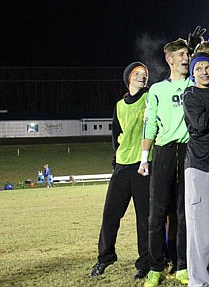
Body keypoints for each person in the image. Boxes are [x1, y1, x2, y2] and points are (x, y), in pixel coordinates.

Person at [90, 62, 151, 279]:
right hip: (122, 166)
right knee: (110, 216)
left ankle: (145, 263)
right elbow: (116, 135)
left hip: (143, 166)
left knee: (144, 219)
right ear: (128, 78)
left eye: (145, 74)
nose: (142, 77)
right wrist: (116, 161)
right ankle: (105, 258)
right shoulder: (119, 105)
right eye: (138, 74)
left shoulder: (150, 97)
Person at [141, 38, 193, 287]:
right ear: (170, 59)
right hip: (162, 152)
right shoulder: (157, 89)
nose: (186, 58)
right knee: (157, 214)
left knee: (184, 213)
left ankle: (183, 265)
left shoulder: (195, 85)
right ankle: (155, 267)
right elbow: (150, 123)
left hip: (187, 152)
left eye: (188, 53)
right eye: (181, 54)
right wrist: (144, 158)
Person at [182, 52, 209, 286]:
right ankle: (198, 281)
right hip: (198, 166)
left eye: (208, 67)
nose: (204, 72)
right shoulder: (190, 95)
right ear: (193, 72)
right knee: (199, 228)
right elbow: (201, 124)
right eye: (199, 68)